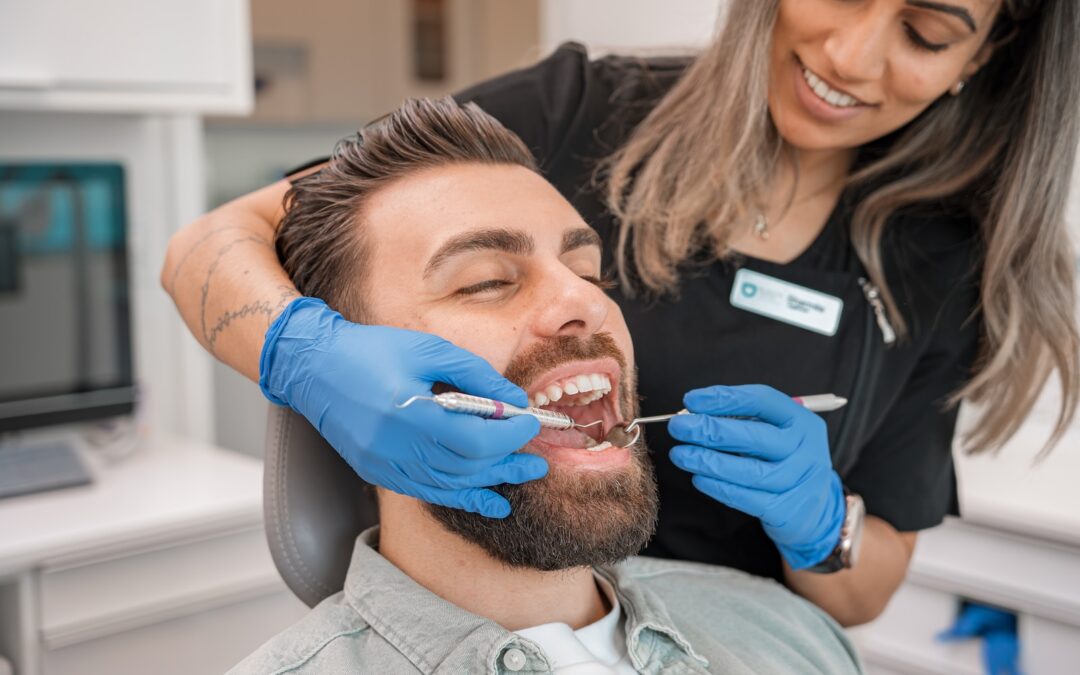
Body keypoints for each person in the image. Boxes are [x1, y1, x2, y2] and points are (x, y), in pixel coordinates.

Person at [162, 0, 1080, 626]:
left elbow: (865, 589)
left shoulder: (942, 264)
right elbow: (211, 243)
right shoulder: (581, 112)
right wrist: (302, 356)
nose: (850, 55)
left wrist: (823, 521)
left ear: (978, 59)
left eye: (924, 31)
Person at [229, 97, 863, 675]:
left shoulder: (791, 634)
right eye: (483, 282)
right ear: (352, 394)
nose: (582, 301)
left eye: (589, 271)